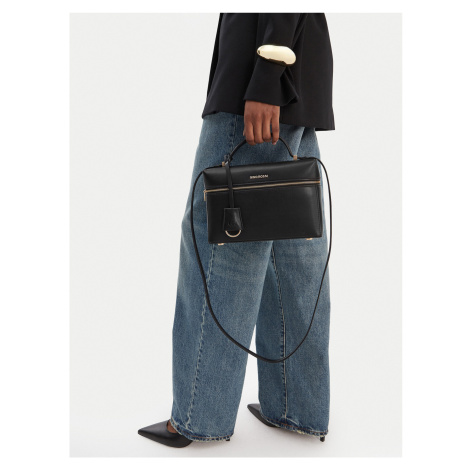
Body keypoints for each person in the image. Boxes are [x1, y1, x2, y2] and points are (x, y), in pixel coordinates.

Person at [138, 13, 334, 448]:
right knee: (289, 242)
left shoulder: (264, 77)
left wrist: (266, 77)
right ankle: (297, 407)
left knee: (218, 244)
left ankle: (199, 415)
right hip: (299, 76)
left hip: (258, 83)